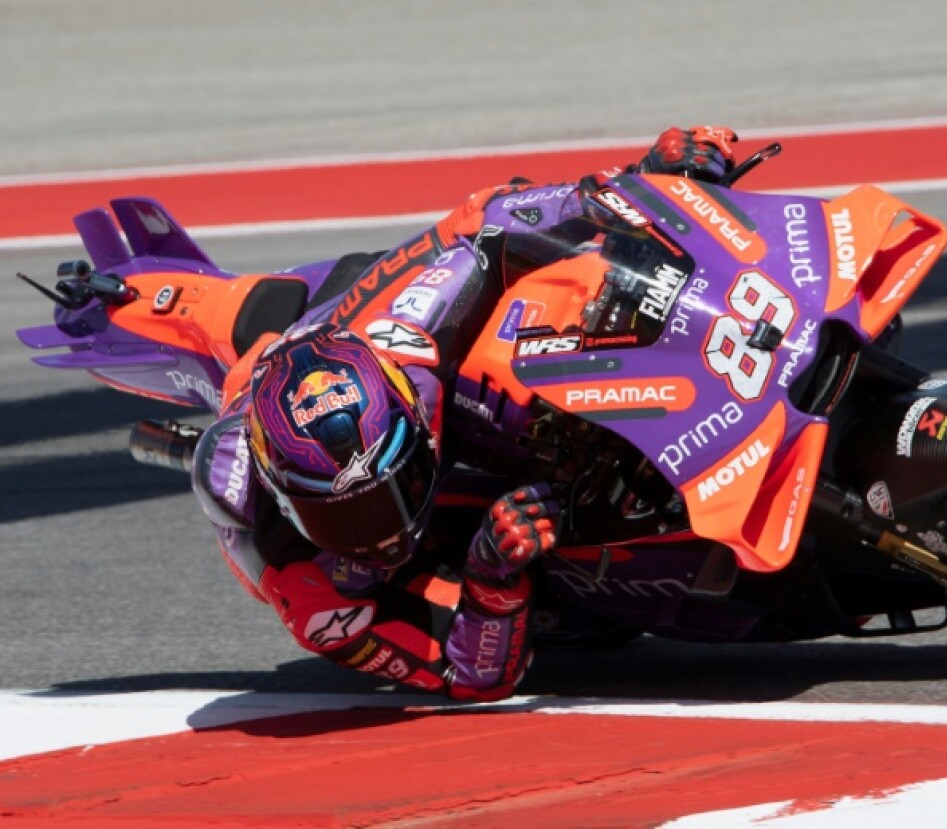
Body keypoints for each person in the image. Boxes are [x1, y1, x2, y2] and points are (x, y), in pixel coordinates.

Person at [190, 126, 740, 700]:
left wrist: (641, 179)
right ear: (287, 499)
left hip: (344, 327)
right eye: (344, 519)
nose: (382, 532)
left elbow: (488, 219)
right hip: (283, 404)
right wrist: (489, 579)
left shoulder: (409, 341)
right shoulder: (311, 596)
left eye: (390, 491)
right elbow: (470, 678)